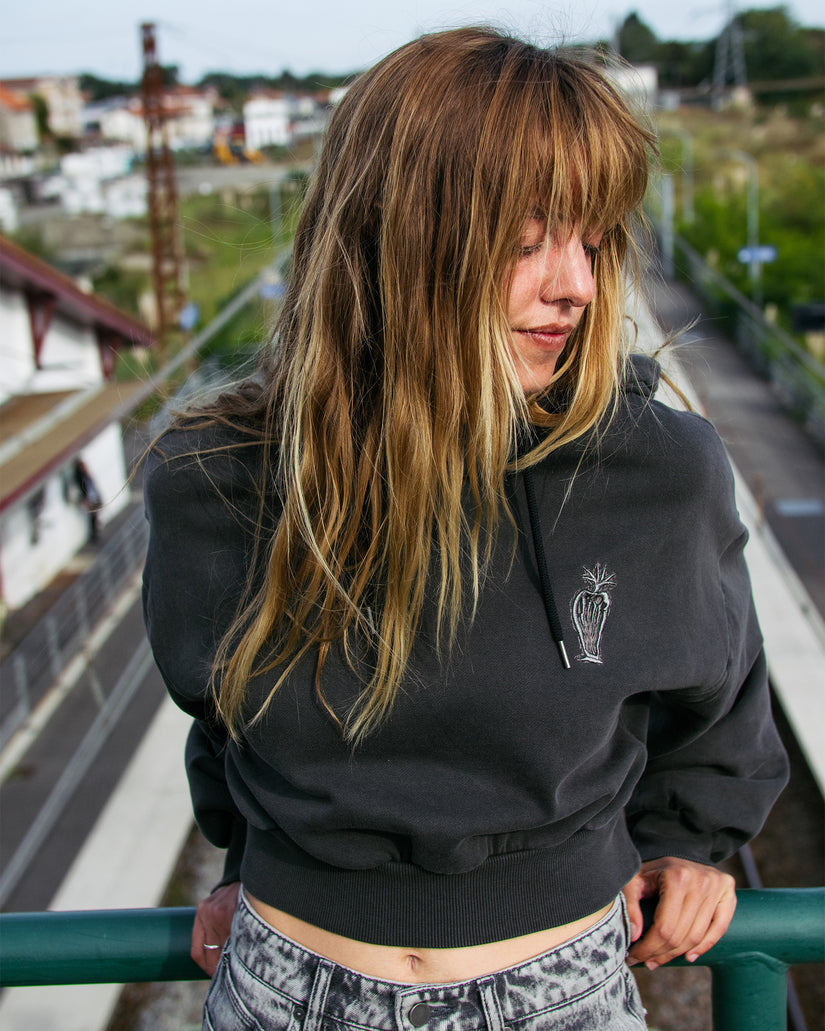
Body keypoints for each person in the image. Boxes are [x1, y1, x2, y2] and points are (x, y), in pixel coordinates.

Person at [142, 27, 788, 1031]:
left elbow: (723, 706)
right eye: (528, 241)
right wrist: (248, 862)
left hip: (561, 995)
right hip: (285, 988)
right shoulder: (217, 478)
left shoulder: (658, 469)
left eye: (592, 241)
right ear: (399, 237)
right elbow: (224, 722)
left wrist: (688, 842)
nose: (576, 285)